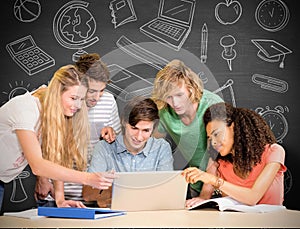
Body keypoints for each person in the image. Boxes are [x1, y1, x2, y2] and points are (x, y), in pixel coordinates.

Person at [0, 65, 116, 211]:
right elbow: (38, 166)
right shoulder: (26, 109)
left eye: (81, 99)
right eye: (73, 98)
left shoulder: (56, 110)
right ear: (56, 93)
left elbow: (56, 155)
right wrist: (88, 178)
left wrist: (60, 199)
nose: (78, 105)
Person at [182, 102, 287, 206]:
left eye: (216, 134)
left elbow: (253, 198)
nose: (213, 142)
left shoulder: (274, 152)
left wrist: (214, 180)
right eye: (210, 137)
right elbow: (204, 196)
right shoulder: (217, 162)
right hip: (235, 220)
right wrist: (197, 200)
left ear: (233, 127)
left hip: (270, 221)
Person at [151, 59, 223, 206]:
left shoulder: (213, 105)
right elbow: (153, 146)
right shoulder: (165, 111)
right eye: (168, 97)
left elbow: (216, 156)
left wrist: (204, 196)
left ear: (191, 88)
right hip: (195, 184)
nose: (175, 103)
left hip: (222, 183)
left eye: (179, 95)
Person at [82, 96, 174, 207]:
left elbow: (166, 191)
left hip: (150, 218)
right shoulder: (104, 147)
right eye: (134, 128)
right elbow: (88, 194)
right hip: (114, 220)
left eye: (146, 130)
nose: (139, 137)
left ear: (153, 129)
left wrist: (111, 191)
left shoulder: (161, 149)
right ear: (124, 121)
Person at [54, 53, 121, 205]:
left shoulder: (109, 101)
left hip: (95, 192)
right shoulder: (64, 103)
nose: (97, 98)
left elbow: (116, 149)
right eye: (91, 91)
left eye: (102, 90)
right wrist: (43, 179)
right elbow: (49, 147)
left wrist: (112, 134)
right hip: (60, 191)